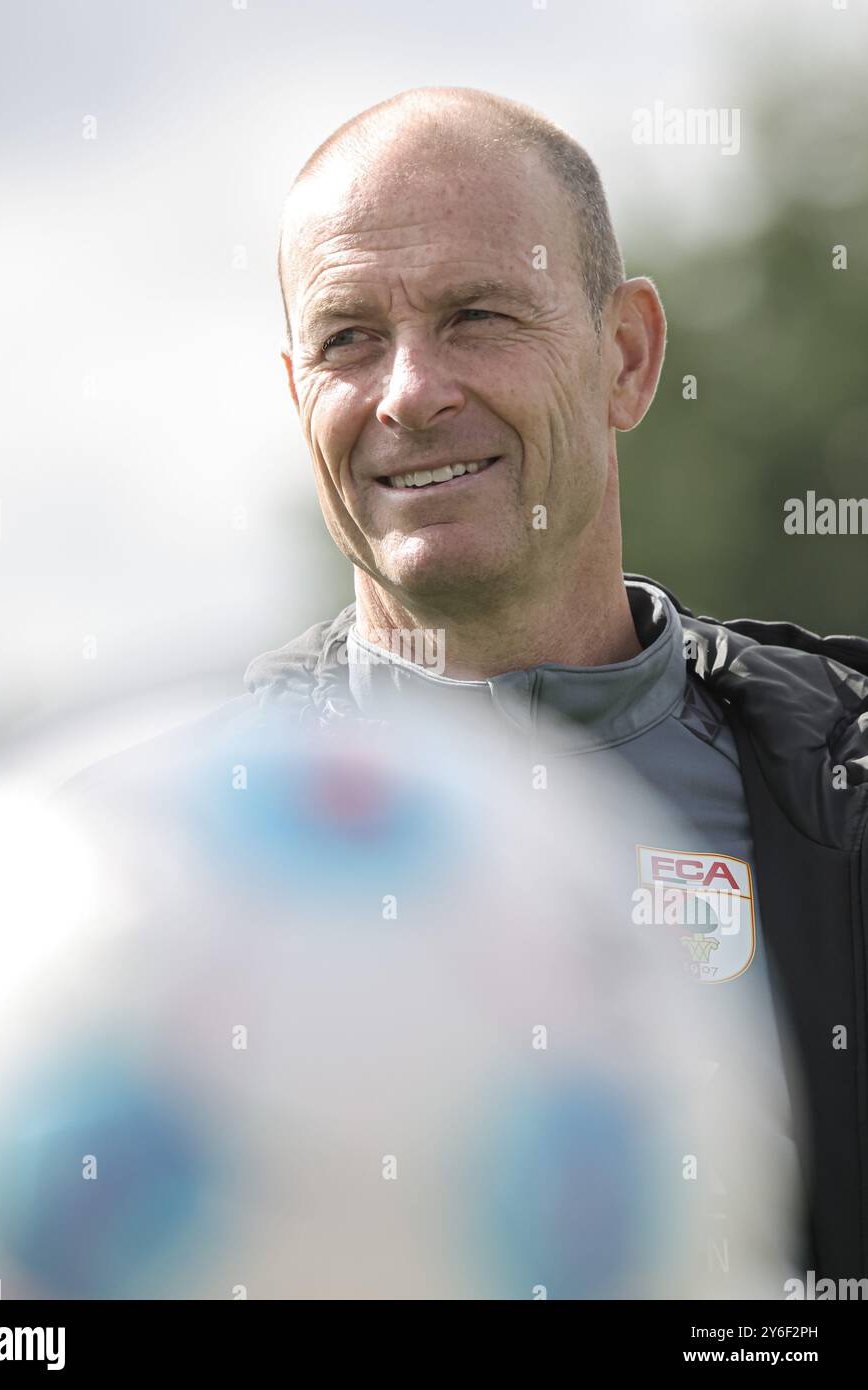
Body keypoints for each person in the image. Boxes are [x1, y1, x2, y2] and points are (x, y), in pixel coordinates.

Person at [250, 85, 867, 1285]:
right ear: (297, 398)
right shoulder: (171, 852)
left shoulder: (840, 796)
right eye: (348, 338)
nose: (410, 391)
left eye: (476, 315)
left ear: (626, 359)